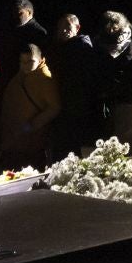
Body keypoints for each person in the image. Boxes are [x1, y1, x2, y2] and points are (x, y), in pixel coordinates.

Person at [48, 13, 106, 158]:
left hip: (76, 109)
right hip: (63, 108)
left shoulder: (82, 48)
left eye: (68, 26)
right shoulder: (60, 49)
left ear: (77, 27)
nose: (64, 30)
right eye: (60, 27)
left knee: (72, 152)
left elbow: (85, 81)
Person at [0, 43, 61, 170]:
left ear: (40, 60)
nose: (24, 65)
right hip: (13, 139)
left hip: (31, 143)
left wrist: (33, 124)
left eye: (30, 61)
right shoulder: (21, 75)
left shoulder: (45, 79)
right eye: (22, 61)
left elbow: (55, 107)